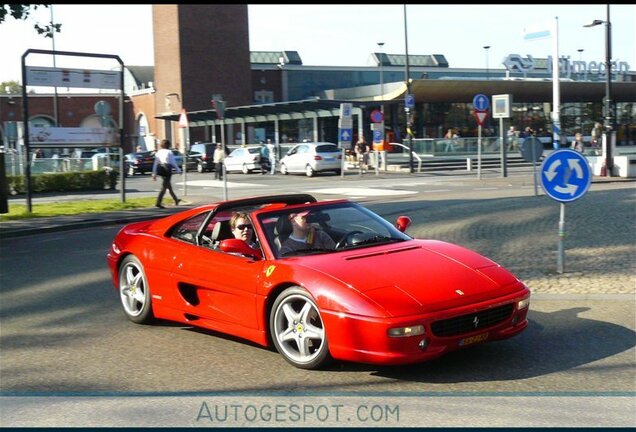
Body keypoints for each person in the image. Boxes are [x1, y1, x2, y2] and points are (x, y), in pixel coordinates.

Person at [151, 139, 181, 209]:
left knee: (168, 186)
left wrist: (154, 173)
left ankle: (176, 200)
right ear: (168, 145)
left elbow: (155, 163)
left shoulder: (158, 152)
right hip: (167, 169)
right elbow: (172, 162)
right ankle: (158, 202)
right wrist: (178, 169)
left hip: (161, 169)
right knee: (164, 187)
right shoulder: (169, 152)